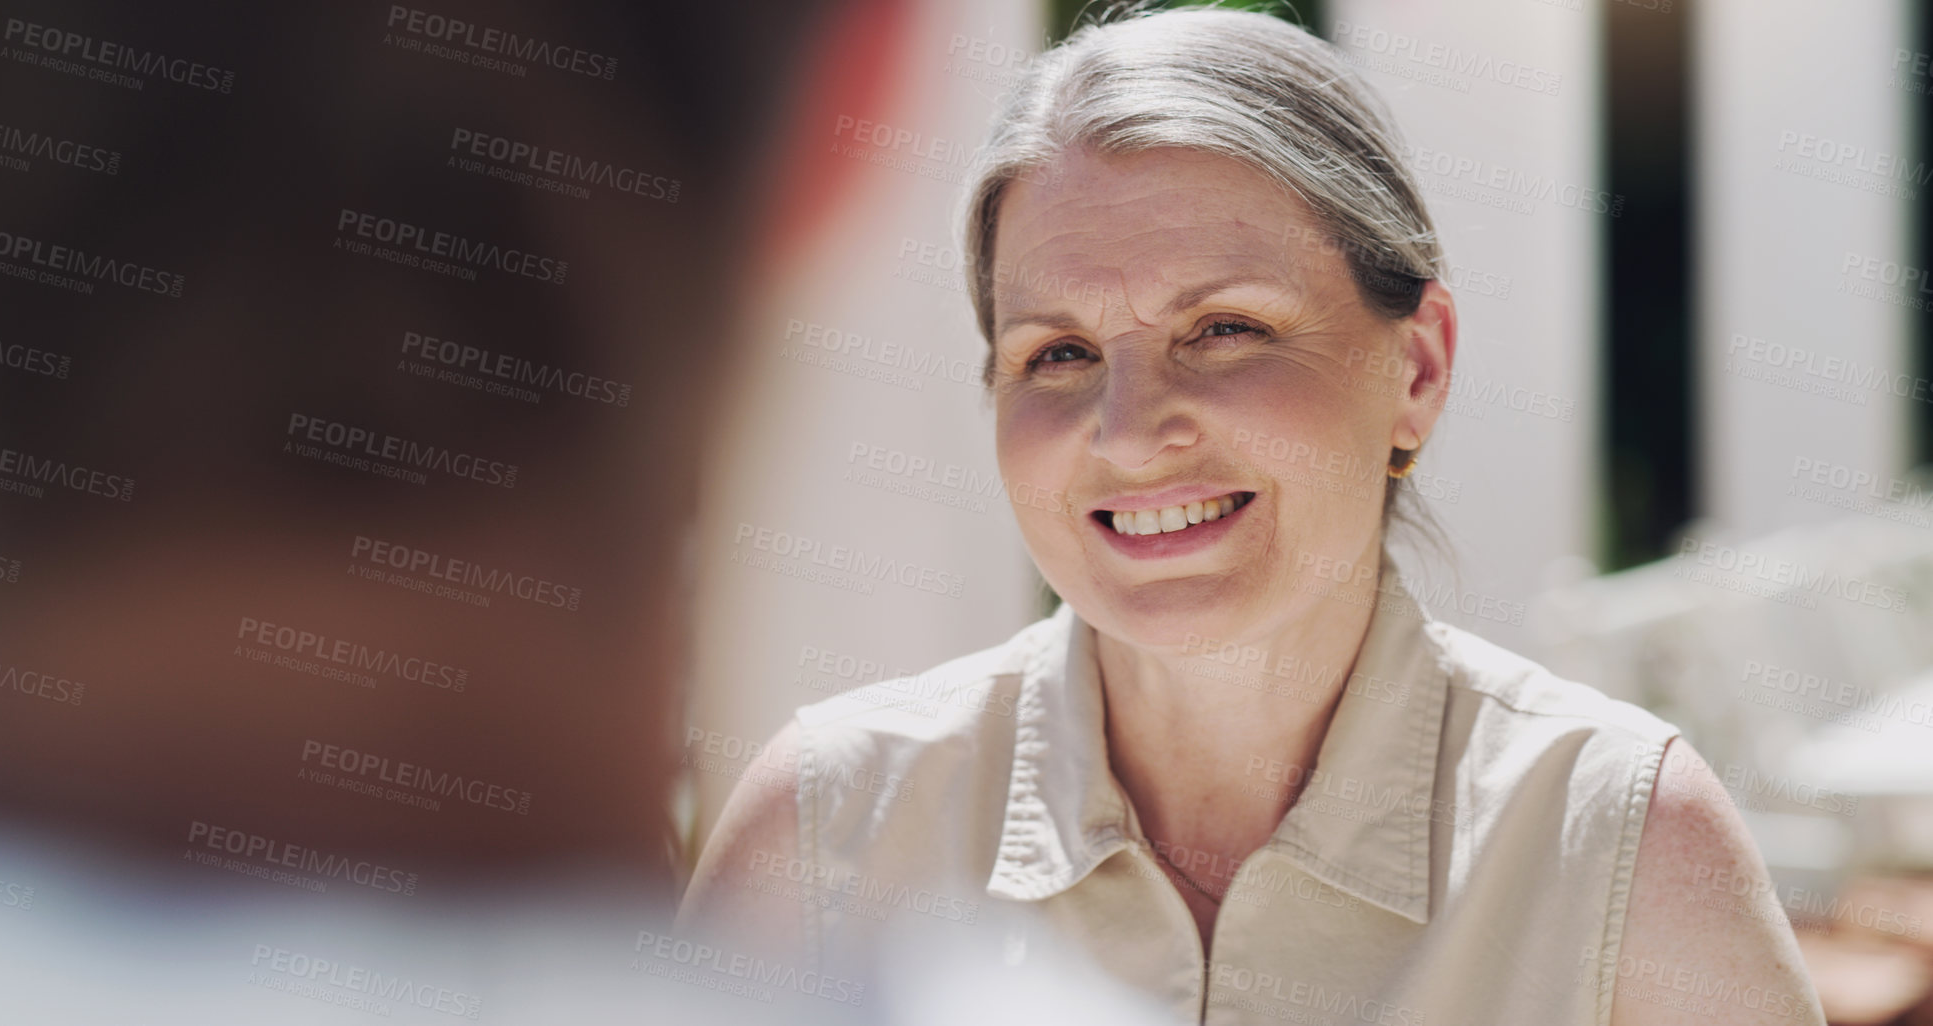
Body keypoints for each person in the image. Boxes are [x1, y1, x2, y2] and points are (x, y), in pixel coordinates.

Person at [678, 8, 1825, 1023]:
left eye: (1224, 329)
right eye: (1059, 352)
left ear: (1417, 371)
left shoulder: (1627, 846)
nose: (1127, 432)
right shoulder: (825, 828)